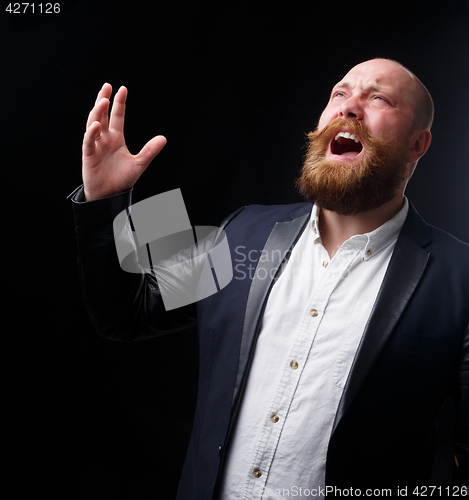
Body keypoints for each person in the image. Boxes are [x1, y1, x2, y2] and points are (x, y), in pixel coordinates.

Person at [68, 58, 468, 499]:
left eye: (378, 98)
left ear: (418, 144)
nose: (349, 107)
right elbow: (128, 312)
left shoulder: (458, 276)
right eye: (339, 93)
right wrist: (106, 201)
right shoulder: (245, 231)